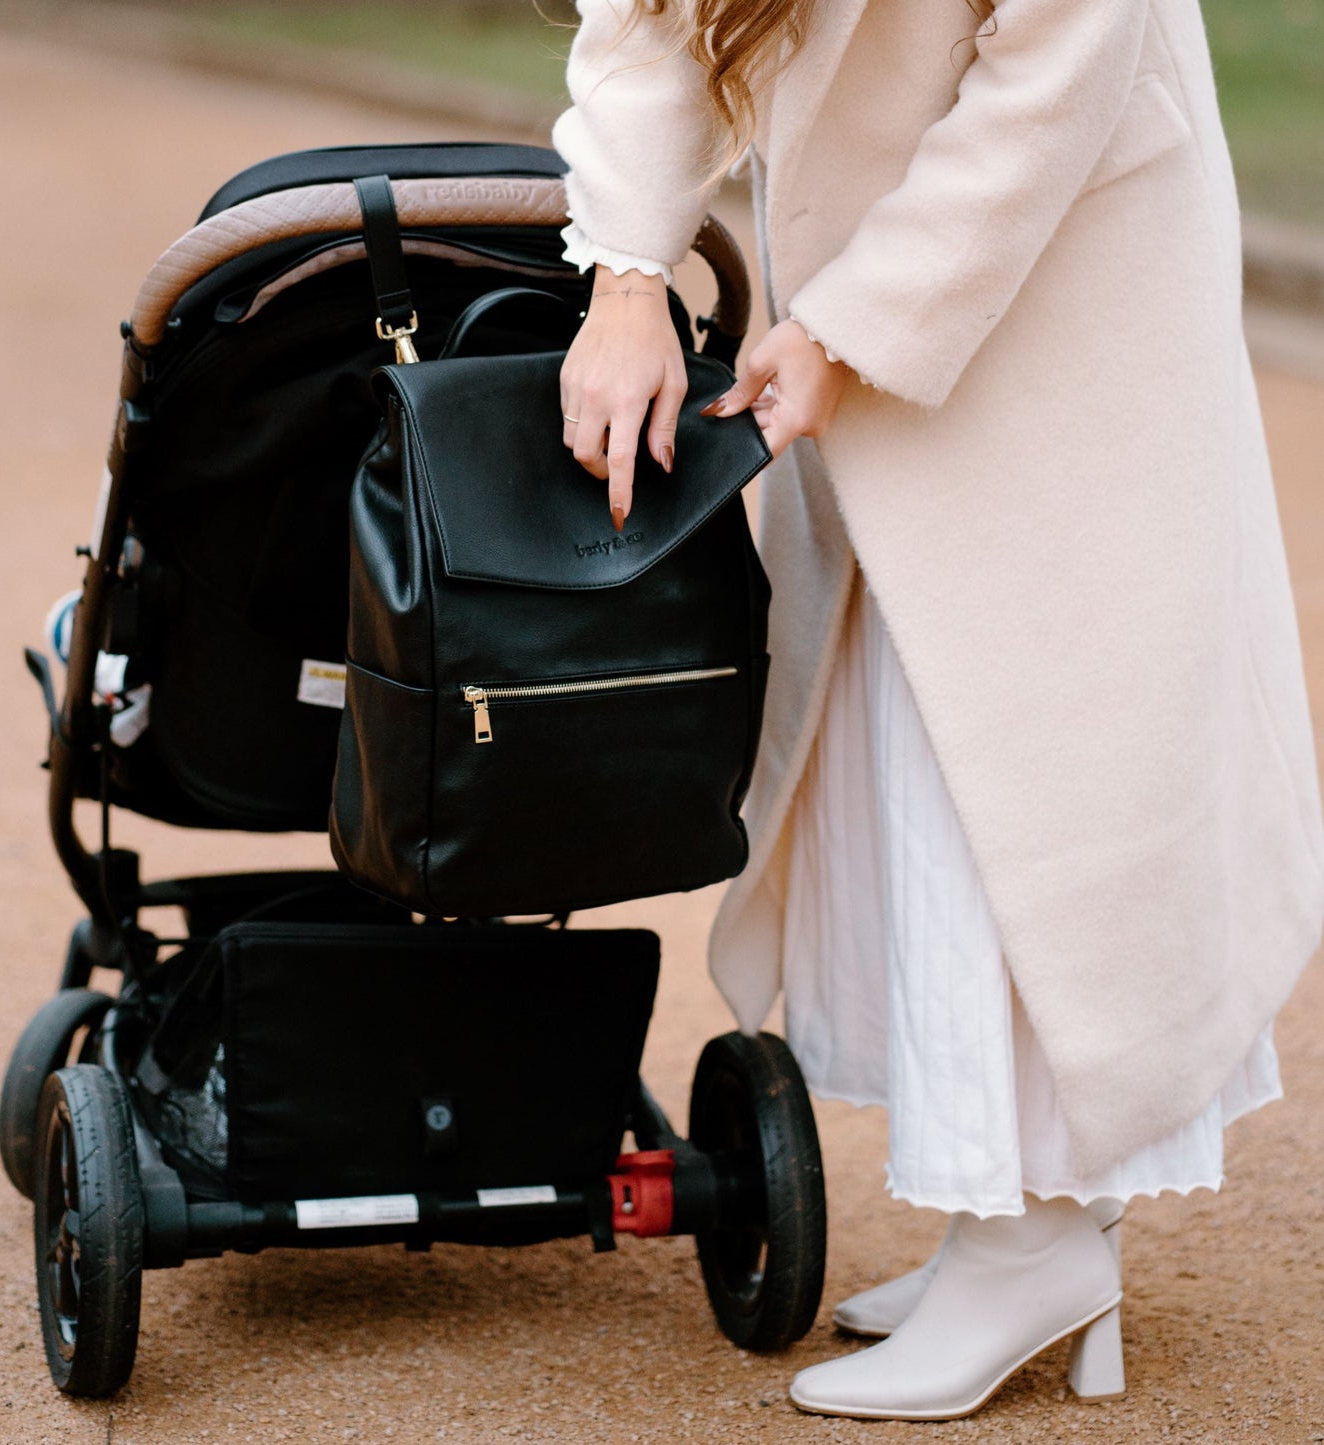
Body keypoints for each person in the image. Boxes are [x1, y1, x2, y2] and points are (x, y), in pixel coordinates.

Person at [552, 0, 1324, 1422]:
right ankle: (1039, 1226)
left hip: (1058, 244)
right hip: (873, 272)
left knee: (1028, 735)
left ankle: (1032, 1236)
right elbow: (649, 23)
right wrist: (626, 277)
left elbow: (1057, 65)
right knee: (908, 720)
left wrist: (850, 326)